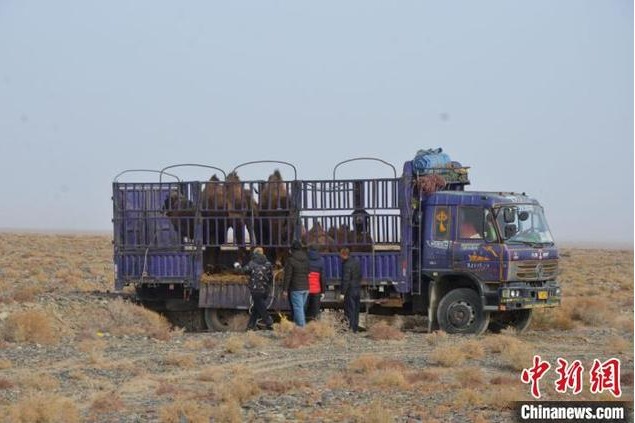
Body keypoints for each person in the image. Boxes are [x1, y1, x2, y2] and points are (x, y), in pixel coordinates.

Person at [234, 247, 274, 330]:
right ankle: (250, 326)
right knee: (256, 307)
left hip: (256, 290)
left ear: (255, 254)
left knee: (261, 307)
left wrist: (237, 266)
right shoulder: (268, 264)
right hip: (266, 290)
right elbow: (271, 277)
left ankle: (268, 321)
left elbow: (242, 271)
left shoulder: (252, 263)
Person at [283, 240, 310, 327]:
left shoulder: (290, 260)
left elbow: (288, 276)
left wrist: (285, 290)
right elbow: (308, 272)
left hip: (296, 288)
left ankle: (302, 329)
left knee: (298, 309)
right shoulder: (306, 259)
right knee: (300, 308)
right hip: (306, 287)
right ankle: (297, 327)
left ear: (292, 249)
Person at [339, 247, 362, 333]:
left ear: (344, 255)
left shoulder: (346, 265)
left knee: (349, 309)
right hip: (357, 288)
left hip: (350, 290)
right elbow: (360, 275)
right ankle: (355, 327)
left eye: (341, 255)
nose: (340, 257)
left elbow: (346, 280)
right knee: (356, 309)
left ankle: (350, 328)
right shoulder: (356, 262)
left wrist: (342, 293)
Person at [305, 244, 325, 321]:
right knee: (316, 309)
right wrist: (323, 291)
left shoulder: (306, 259)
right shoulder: (321, 260)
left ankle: (305, 324)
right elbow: (322, 277)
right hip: (316, 289)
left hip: (306, 288)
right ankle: (316, 325)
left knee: (305, 308)